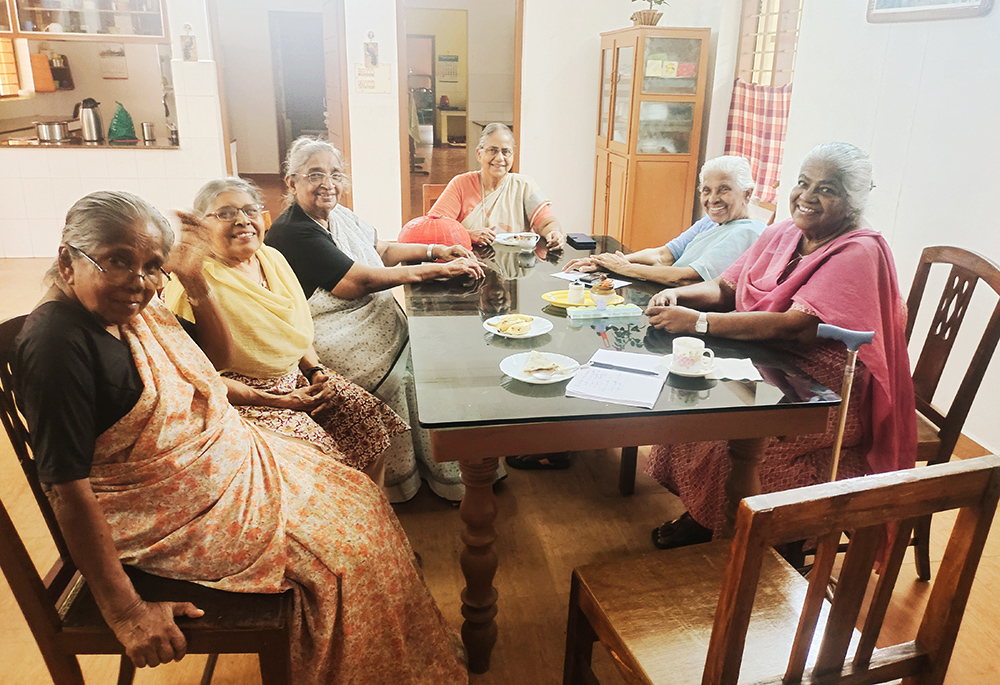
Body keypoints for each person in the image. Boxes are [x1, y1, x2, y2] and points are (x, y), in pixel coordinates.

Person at [13, 191, 467, 682]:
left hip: (217, 461)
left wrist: (196, 287)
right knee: (347, 555)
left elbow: (205, 365)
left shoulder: (128, 309)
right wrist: (126, 612)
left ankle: (406, 652)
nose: (139, 284)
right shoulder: (56, 344)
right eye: (118, 262)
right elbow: (65, 488)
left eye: (152, 267)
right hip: (160, 509)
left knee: (359, 496)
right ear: (66, 260)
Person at [643, 142, 917, 549]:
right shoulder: (785, 232)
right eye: (803, 183)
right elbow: (724, 287)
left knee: (738, 443)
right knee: (690, 404)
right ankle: (706, 516)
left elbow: (794, 327)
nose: (807, 197)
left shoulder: (859, 249)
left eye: (827, 189)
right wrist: (679, 298)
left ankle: (758, 544)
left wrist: (699, 322)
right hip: (771, 365)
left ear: (854, 200)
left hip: (828, 391)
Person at [264, 136, 495, 503]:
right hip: (334, 334)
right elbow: (359, 281)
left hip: (375, 320)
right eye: (315, 175)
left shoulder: (337, 214)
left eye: (335, 174)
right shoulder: (293, 231)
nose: (328, 183)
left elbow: (381, 250)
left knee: (441, 354)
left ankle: (456, 468)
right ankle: (413, 482)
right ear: (292, 182)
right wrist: (436, 271)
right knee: (420, 373)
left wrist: (435, 250)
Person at [162, 177, 407, 485]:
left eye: (250, 210)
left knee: (368, 420)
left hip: (296, 380)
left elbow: (295, 330)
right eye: (225, 213)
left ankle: (371, 509)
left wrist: (316, 371)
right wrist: (278, 400)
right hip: (244, 399)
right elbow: (197, 377)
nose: (242, 221)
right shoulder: (192, 281)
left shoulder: (272, 258)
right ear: (201, 226)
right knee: (324, 465)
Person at [563, 155, 766, 285]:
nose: (712, 199)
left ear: (747, 194)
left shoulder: (748, 233)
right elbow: (663, 255)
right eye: (706, 190)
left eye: (724, 189)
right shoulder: (711, 222)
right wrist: (603, 262)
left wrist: (623, 267)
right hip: (666, 296)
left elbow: (685, 277)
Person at [429, 122, 566, 249]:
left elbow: (548, 223)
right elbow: (434, 227)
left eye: (505, 151)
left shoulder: (524, 185)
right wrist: (467, 235)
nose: (500, 158)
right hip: (467, 264)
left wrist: (554, 233)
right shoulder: (461, 184)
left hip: (513, 268)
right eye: (493, 150)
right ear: (479, 154)